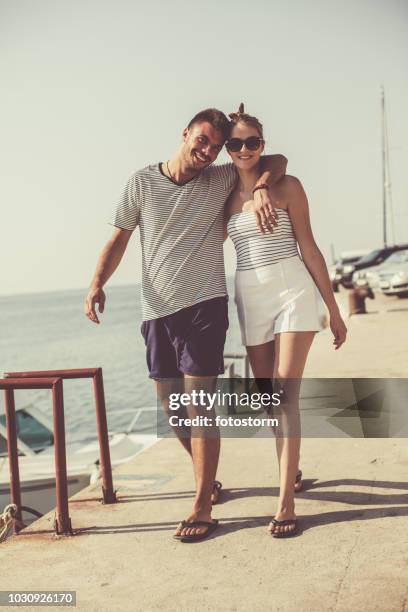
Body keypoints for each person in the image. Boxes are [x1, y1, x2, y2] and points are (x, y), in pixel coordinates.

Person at [84, 108, 288, 542]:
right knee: (172, 410)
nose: (209, 151)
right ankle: (208, 480)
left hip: (204, 307)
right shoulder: (141, 181)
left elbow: (276, 160)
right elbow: (119, 237)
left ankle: (201, 504)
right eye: (204, 141)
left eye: (216, 146)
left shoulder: (218, 178)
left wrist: (265, 187)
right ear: (185, 133)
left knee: (199, 407)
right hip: (156, 311)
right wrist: (97, 282)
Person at [224, 104, 347, 538]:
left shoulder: (288, 185)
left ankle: (285, 502)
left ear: (263, 144)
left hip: (293, 288)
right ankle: (290, 470)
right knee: (268, 400)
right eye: (235, 143)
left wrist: (333, 310)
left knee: (285, 394)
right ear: (226, 146)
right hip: (250, 295)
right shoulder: (221, 193)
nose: (244, 149)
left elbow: (310, 249)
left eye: (252, 142)